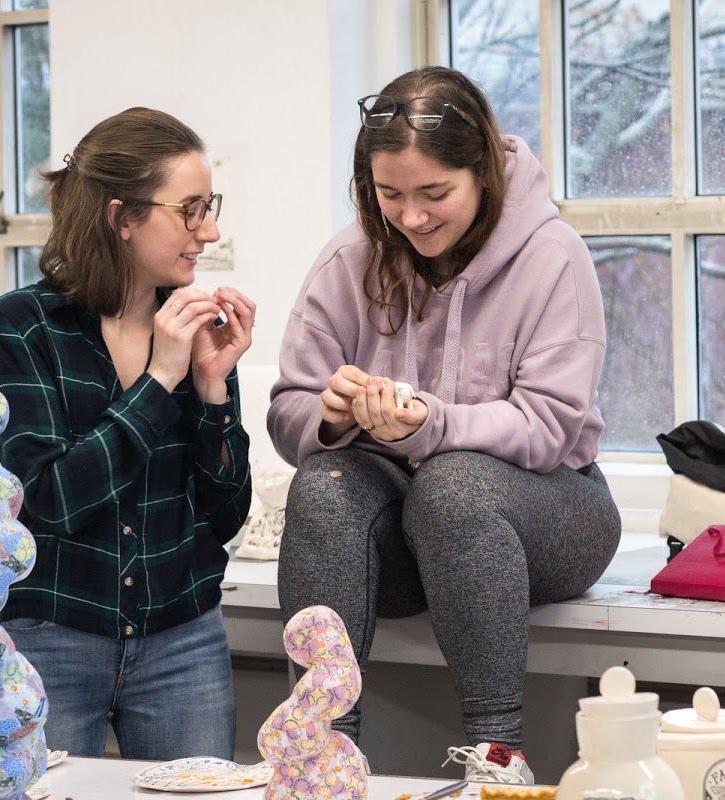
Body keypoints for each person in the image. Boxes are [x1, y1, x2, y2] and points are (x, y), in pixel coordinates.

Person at [267, 66, 621, 785]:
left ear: (484, 171)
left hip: (554, 512)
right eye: (389, 195)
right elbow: (286, 409)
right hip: (407, 531)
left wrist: (430, 424)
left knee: (453, 487)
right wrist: (330, 418)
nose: (413, 216)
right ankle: (322, 754)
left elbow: (549, 427)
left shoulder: (554, 258)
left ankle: (499, 761)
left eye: (435, 194)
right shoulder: (350, 258)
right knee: (324, 482)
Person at [0, 107, 255, 760]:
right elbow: (49, 499)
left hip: (183, 639)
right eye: (190, 209)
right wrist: (159, 381)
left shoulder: (194, 328)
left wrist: (213, 389)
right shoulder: (22, 326)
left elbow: (225, 515)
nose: (209, 230)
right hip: (50, 635)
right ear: (122, 217)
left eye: (209, 205)